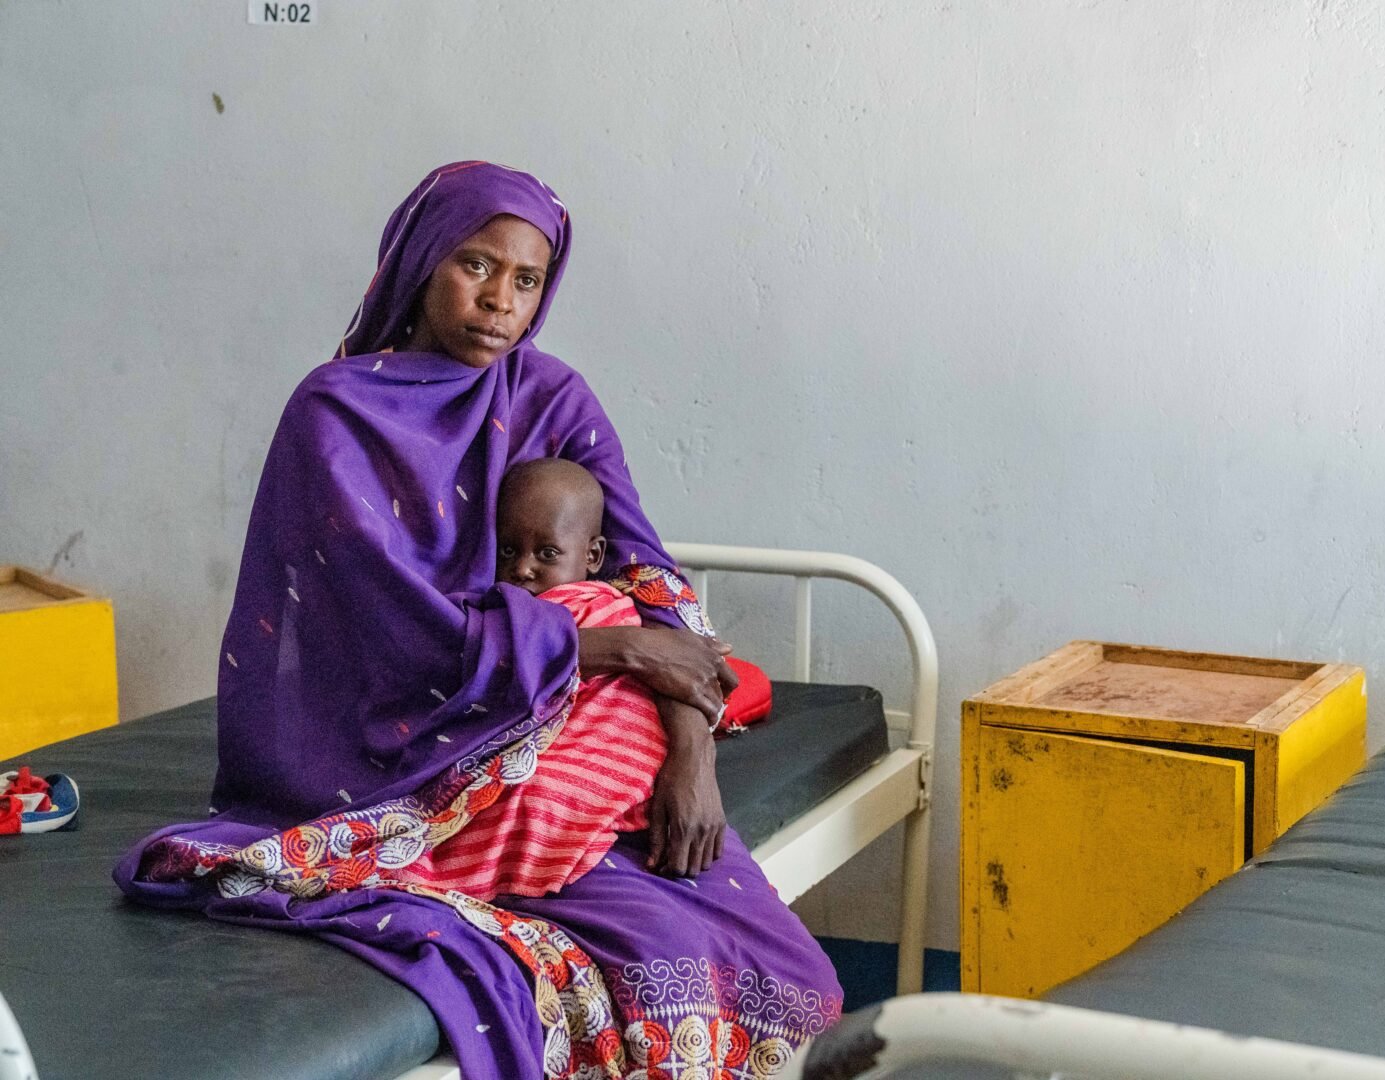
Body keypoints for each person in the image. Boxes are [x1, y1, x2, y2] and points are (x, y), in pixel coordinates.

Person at [116, 161, 841, 1080]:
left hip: (557, 718)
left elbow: (657, 587)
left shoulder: (554, 401)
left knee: (772, 958)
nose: (501, 300)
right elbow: (384, 626)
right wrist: (613, 645)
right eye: (475, 264)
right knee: (646, 936)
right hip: (382, 743)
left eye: (527, 280)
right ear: (422, 260)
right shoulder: (336, 410)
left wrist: (692, 763)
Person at [398, 456, 686, 899]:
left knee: (538, 797)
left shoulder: (611, 610)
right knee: (507, 793)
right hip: (534, 758)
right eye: (508, 551)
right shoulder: (497, 615)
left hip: (594, 757)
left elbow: (622, 703)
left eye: (547, 553)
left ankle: (461, 873)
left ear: (593, 556)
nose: (523, 569)